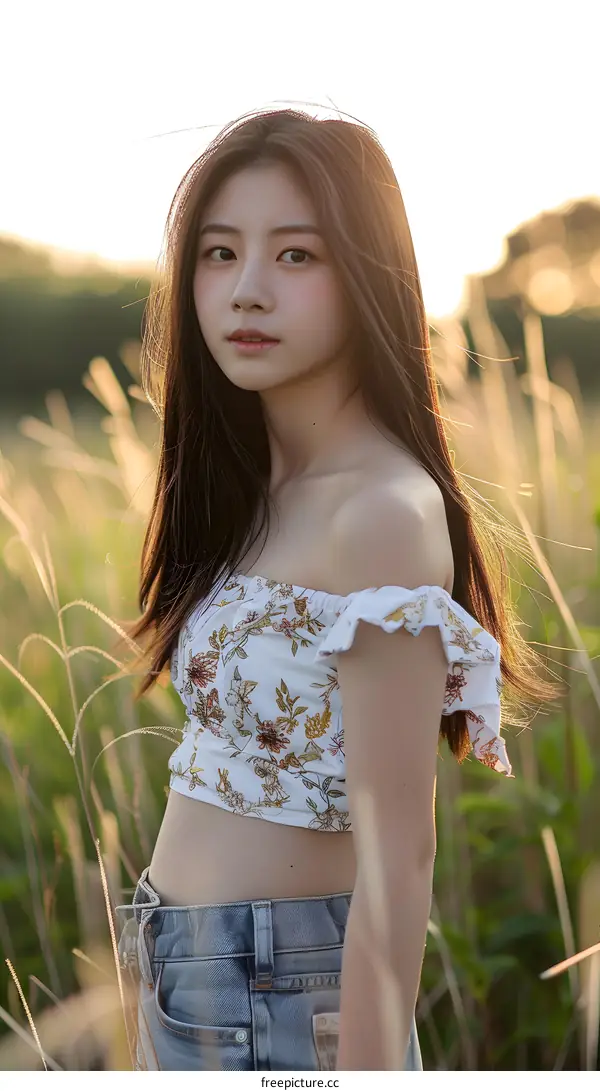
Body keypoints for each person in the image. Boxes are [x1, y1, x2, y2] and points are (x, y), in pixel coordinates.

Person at [113, 106, 562, 1072]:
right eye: (220, 253)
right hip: (185, 970)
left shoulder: (383, 515)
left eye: (297, 257)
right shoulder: (264, 491)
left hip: (277, 996)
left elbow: (399, 859)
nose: (247, 292)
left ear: (367, 272)